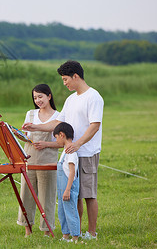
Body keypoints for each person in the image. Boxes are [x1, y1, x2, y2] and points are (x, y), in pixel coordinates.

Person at [22, 60, 104, 240]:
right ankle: (77, 231)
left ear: (76, 76)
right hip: (70, 153)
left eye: (66, 79)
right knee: (75, 195)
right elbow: (58, 123)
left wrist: (78, 144)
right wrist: (36, 127)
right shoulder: (71, 99)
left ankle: (92, 233)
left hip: (86, 152)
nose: (64, 83)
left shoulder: (93, 97)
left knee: (88, 194)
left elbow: (94, 126)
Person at [17, 84, 59, 237]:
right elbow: (27, 136)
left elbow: (61, 143)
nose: (37, 100)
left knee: (46, 197)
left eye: (40, 96)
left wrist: (46, 144)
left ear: (49, 96)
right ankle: (27, 229)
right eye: (35, 98)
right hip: (29, 159)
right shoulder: (30, 113)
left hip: (48, 161)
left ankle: (47, 231)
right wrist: (19, 134)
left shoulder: (58, 116)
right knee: (26, 195)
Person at [53, 122, 80, 242]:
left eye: (56, 138)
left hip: (68, 187)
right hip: (62, 188)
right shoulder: (65, 151)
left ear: (61, 135)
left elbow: (72, 172)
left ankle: (75, 237)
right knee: (62, 211)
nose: (56, 141)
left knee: (71, 212)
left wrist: (67, 190)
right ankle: (65, 235)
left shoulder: (71, 152)